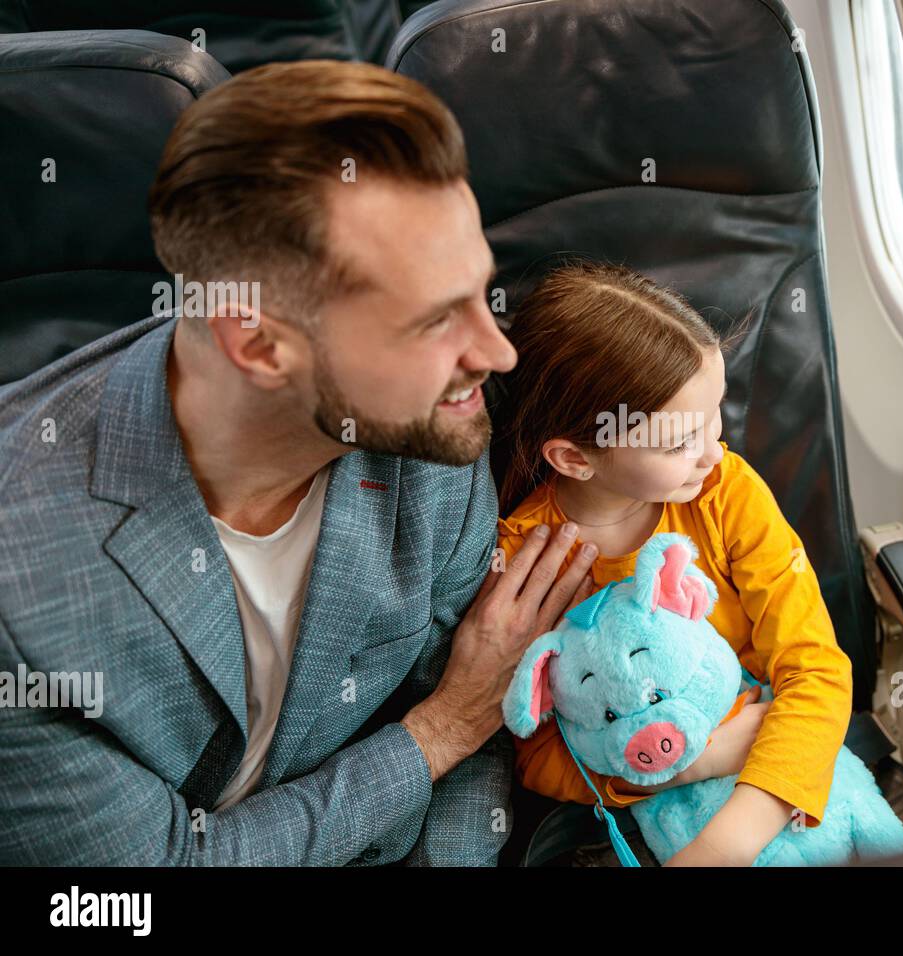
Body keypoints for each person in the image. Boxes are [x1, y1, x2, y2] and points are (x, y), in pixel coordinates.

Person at [0, 60, 597, 865]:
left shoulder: (432, 432)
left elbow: (477, 734)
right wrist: (435, 734)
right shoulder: (20, 593)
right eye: (431, 322)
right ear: (256, 341)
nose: (496, 353)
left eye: (478, 295)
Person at [492, 262, 854, 866]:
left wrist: (726, 844)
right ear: (576, 459)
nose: (714, 451)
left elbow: (814, 668)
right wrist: (698, 759)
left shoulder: (725, 492)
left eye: (716, 413)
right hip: (643, 806)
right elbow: (535, 753)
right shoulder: (522, 555)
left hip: (774, 762)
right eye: (679, 442)